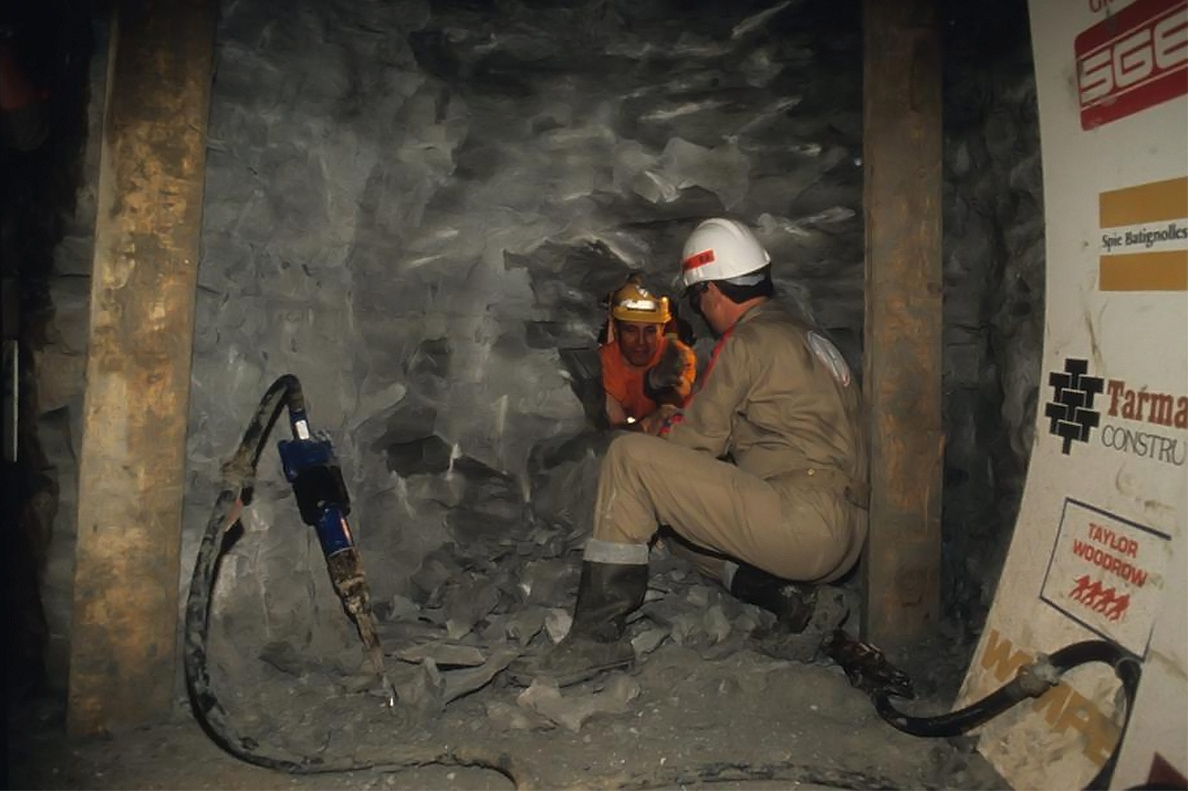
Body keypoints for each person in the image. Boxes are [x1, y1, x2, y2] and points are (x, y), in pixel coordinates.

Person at [522, 218, 870, 685]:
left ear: (711, 291)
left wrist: (656, 436)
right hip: (849, 532)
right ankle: (794, 600)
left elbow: (697, 440)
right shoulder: (809, 337)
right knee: (683, 536)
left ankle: (595, 637)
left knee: (630, 458)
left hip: (802, 522)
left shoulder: (747, 339)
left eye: (699, 299)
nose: (702, 312)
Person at [598, 276, 696, 435]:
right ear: (616, 329)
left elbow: (686, 415)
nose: (641, 342)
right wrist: (649, 423)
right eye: (631, 330)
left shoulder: (677, 357)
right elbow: (616, 434)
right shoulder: (604, 364)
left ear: (662, 330)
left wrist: (669, 393)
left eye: (650, 331)